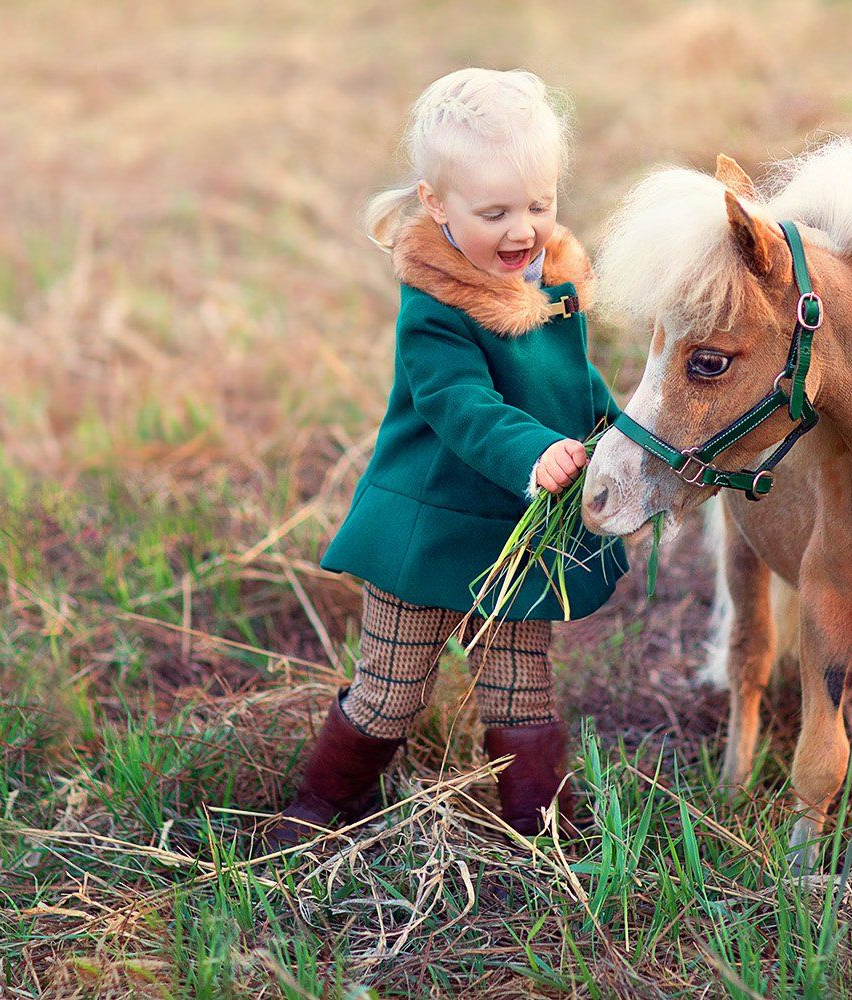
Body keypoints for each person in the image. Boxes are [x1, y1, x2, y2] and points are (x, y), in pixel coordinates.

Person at [261, 67, 628, 849]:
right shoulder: (435, 306)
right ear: (436, 205)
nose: (522, 229)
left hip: (518, 530)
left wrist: (623, 435)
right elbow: (457, 404)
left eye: (539, 205)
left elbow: (576, 384)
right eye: (493, 212)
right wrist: (537, 451)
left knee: (520, 692)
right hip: (429, 529)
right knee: (392, 689)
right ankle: (322, 807)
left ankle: (542, 830)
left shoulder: (551, 283)